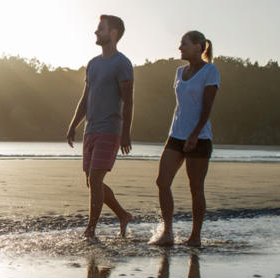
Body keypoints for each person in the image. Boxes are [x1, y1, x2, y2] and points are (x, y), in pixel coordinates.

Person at [66, 14, 134, 240]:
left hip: (109, 129)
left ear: (113, 33)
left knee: (95, 180)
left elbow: (129, 101)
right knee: (92, 182)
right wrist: (74, 124)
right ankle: (123, 215)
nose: (96, 32)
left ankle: (91, 230)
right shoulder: (93, 64)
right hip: (91, 129)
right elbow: (85, 98)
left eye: (101, 29)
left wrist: (125, 134)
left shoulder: (122, 64)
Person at [150, 30, 220, 246]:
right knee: (162, 181)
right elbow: (181, 106)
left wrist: (195, 134)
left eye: (184, 44)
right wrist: (181, 133)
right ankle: (167, 232)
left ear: (199, 46)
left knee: (195, 188)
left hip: (199, 137)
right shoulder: (180, 72)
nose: (180, 47)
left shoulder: (210, 71)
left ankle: (195, 237)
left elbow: (207, 107)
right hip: (176, 135)